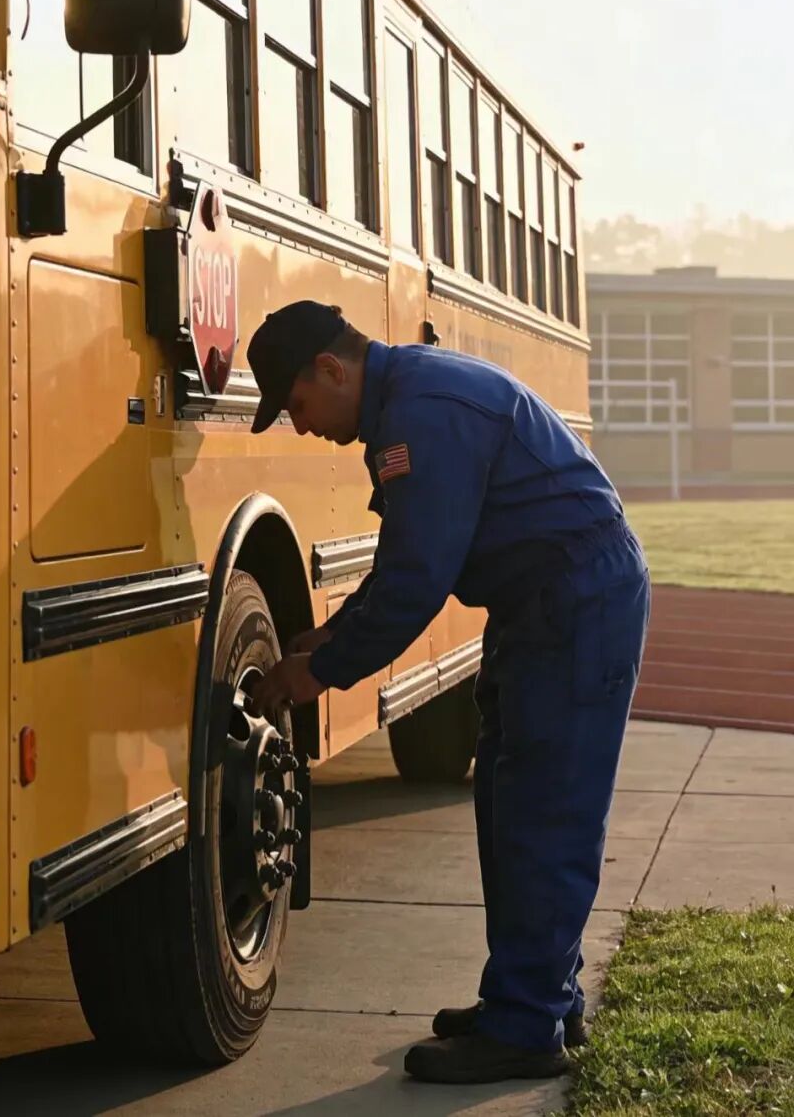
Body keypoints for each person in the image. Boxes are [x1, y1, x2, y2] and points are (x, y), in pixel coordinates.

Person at [246, 301, 650, 1087]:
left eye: (296, 406)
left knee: (543, 812)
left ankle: (526, 1024)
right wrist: (335, 633)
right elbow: (409, 557)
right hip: (543, 604)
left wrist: (316, 672)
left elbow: (418, 581)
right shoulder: (412, 400)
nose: (300, 426)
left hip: (573, 603)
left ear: (332, 369)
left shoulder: (423, 414)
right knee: (510, 808)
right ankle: (536, 998)